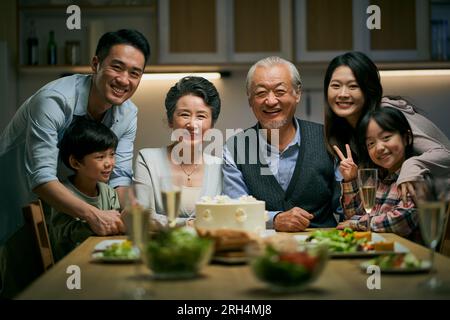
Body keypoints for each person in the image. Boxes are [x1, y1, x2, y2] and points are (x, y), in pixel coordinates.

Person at [0, 29, 150, 298]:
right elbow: (41, 178)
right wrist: (93, 214)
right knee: (20, 286)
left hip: (62, 202)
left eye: (135, 73)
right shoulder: (54, 101)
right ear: (95, 64)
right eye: (117, 67)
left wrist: (132, 213)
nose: (124, 80)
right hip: (14, 195)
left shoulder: (128, 113)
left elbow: (119, 177)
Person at [223, 56, 340, 232]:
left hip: (322, 248)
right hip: (261, 249)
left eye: (280, 91)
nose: (270, 101)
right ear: (249, 100)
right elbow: (236, 210)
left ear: (297, 93)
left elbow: (345, 208)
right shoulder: (235, 148)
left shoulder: (328, 139)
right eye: (261, 93)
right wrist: (274, 219)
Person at [324, 51, 450, 203]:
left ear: (368, 90)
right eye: (335, 86)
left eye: (353, 86)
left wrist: (412, 165)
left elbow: (445, 154)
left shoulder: (387, 114)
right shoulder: (345, 129)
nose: (343, 94)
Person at [134, 76, 222, 227]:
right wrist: (189, 224)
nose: (192, 124)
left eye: (201, 116)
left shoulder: (222, 167)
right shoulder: (148, 159)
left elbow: (228, 215)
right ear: (170, 120)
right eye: (184, 114)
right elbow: (142, 217)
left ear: (212, 125)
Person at [334, 107, 420, 240]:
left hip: (405, 255)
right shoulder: (376, 179)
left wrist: (360, 223)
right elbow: (351, 217)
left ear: (406, 138)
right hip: (373, 251)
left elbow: (402, 220)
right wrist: (351, 180)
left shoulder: (414, 177)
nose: (379, 148)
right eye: (371, 143)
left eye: (386, 137)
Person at [48, 118, 120, 261]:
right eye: (100, 157)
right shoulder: (62, 195)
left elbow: (115, 227)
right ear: (75, 162)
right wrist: (98, 225)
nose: (109, 163)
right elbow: (63, 235)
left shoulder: (108, 191)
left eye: (112, 154)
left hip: (102, 260)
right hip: (73, 267)